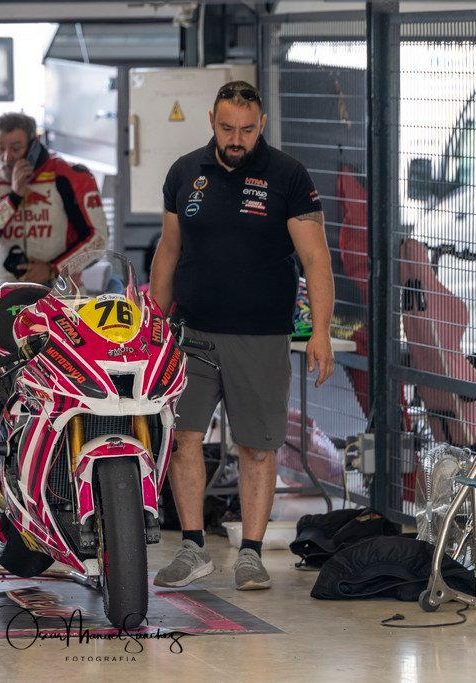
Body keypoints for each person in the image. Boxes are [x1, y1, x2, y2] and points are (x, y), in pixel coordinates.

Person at [150, 81, 335, 591]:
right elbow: (168, 251)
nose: (237, 139)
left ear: (262, 125)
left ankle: (250, 554)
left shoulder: (288, 176)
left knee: (256, 448)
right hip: (192, 332)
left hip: (260, 335)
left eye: (247, 130)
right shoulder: (184, 172)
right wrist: (152, 325)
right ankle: (192, 546)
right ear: (212, 120)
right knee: (182, 438)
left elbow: (316, 259)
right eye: (228, 128)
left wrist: (320, 331)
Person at [0, 111, 108, 288]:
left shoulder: (70, 175)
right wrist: (13, 198)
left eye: (15, 148)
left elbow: (99, 239)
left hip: (62, 293)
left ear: (34, 145)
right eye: (0, 147)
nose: (6, 158)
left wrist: (53, 269)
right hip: (3, 293)